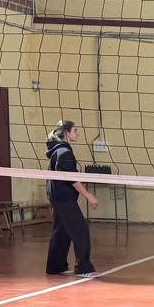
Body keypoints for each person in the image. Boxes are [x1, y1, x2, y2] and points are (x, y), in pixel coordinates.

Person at [44, 119, 98, 277]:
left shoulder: (58, 150)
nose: (77, 133)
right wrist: (89, 196)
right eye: (75, 130)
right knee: (80, 231)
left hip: (57, 196)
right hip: (64, 198)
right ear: (67, 133)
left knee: (61, 232)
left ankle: (55, 266)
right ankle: (83, 268)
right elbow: (72, 180)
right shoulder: (64, 152)